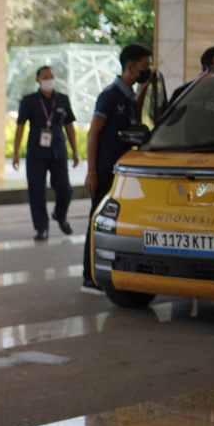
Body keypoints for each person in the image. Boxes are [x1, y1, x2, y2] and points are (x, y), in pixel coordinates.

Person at [83, 43, 152, 294]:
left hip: (122, 171)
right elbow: (94, 133)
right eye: (144, 67)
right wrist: (91, 171)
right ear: (130, 66)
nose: (147, 70)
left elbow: (134, 108)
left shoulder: (128, 97)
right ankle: (88, 276)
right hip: (104, 170)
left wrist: (144, 87)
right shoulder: (110, 95)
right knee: (97, 220)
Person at [12, 66, 80, 240]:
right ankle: (41, 228)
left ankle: (60, 214)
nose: (49, 79)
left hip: (58, 151)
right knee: (36, 190)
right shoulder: (29, 100)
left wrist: (75, 150)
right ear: (38, 80)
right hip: (36, 153)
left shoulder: (63, 99)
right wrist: (15, 153)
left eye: (51, 76)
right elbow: (20, 126)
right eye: (45, 77)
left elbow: (69, 126)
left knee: (65, 189)